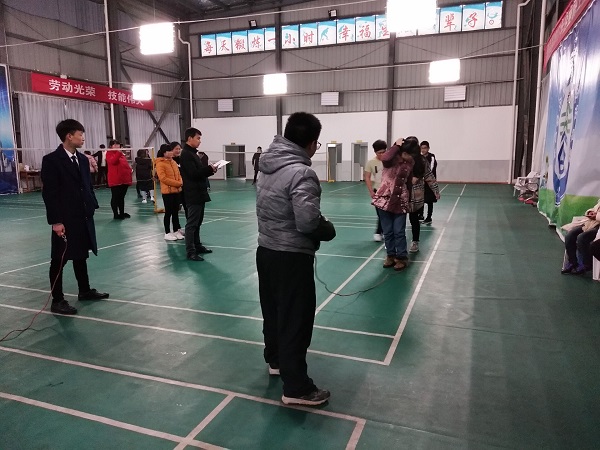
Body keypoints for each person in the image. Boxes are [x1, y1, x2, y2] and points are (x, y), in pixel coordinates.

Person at [256, 112, 336, 406]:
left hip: (266, 250)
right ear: (312, 143)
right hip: (291, 257)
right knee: (295, 320)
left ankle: (276, 360)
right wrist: (327, 229)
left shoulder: (267, 165)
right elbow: (307, 222)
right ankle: (297, 388)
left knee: (274, 311)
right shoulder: (301, 173)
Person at [41, 119, 109, 315]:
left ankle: (84, 290)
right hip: (65, 218)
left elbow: (87, 185)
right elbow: (50, 194)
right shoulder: (52, 160)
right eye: (80, 134)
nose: (83, 138)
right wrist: (56, 221)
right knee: (59, 259)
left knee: (81, 254)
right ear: (69, 136)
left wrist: (92, 204)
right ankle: (58, 300)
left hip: (83, 216)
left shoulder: (83, 159)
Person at [372, 138, 415, 271]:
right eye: (406, 153)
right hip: (384, 199)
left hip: (401, 200)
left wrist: (409, 200)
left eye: (410, 154)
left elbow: (408, 182)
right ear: (401, 151)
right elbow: (385, 158)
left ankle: (401, 257)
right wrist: (396, 145)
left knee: (399, 232)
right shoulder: (391, 159)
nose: (408, 156)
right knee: (388, 231)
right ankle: (390, 255)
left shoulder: (410, 162)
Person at [179, 128, 217, 261]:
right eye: (198, 138)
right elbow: (193, 174)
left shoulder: (193, 154)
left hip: (199, 192)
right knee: (192, 224)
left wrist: (211, 170)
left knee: (198, 222)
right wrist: (209, 169)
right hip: (193, 193)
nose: (200, 141)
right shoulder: (186, 155)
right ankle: (190, 251)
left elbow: (199, 172)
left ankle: (197, 245)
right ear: (190, 138)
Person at [406, 137, 440, 253]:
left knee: (414, 219)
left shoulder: (422, 161)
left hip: (415, 196)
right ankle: (397, 242)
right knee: (399, 220)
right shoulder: (401, 158)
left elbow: (429, 176)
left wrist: (436, 190)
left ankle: (415, 241)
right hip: (402, 195)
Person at [561, 200, 600, 274]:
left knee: (582, 237)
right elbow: (595, 208)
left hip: (598, 227)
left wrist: (596, 216)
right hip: (590, 223)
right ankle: (572, 262)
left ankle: (586, 264)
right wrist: (590, 212)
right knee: (570, 235)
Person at [155, 144, 184, 241]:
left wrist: (180, 182)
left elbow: (178, 174)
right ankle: (167, 232)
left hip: (176, 191)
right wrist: (177, 183)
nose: (171, 153)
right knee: (168, 212)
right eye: (169, 151)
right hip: (167, 192)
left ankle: (176, 230)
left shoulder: (173, 162)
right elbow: (163, 178)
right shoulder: (160, 163)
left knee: (175, 212)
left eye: (171, 151)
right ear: (164, 153)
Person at [364, 140, 386, 242]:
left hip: (389, 191)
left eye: (383, 152)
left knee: (387, 214)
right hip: (378, 191)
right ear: (375, 152)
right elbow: (367, 177)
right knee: (380, 213)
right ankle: (378, 232)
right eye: (379, 153)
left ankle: (383, 231)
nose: (382, 155)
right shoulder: (371, 163)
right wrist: (371, 191)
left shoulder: (390, 160)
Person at [106, 139, 132, 219]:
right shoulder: (109, 153)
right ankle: (115, 214)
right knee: (115, 197)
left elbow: (125, 165)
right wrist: (118, 153)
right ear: (111, 146)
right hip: (115, 180)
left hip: (124, 179)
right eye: (114, 144)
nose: (117, 146)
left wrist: (129, 171)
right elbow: (113, 162)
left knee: (121, 197)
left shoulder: (122, 155)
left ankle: (122, 213)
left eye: (118, 144)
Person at [419, 141, 437, 224]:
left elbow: (431, 168)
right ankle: (421, 215)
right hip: (421, 182)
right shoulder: (419, 157)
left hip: (429, 182)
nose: (423, 150)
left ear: (428, 148)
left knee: (430, 200)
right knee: (420, 199)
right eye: (422, 148)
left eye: (425, 148)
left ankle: (429, 217)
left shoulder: (432, 157)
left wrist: (426, 177)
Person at [171, 141, 186, 218]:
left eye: (179, 149)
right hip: (173, 187)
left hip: (183, 185)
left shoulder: (182, 159)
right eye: (176, 149)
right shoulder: (169, 161)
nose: (178, 150)